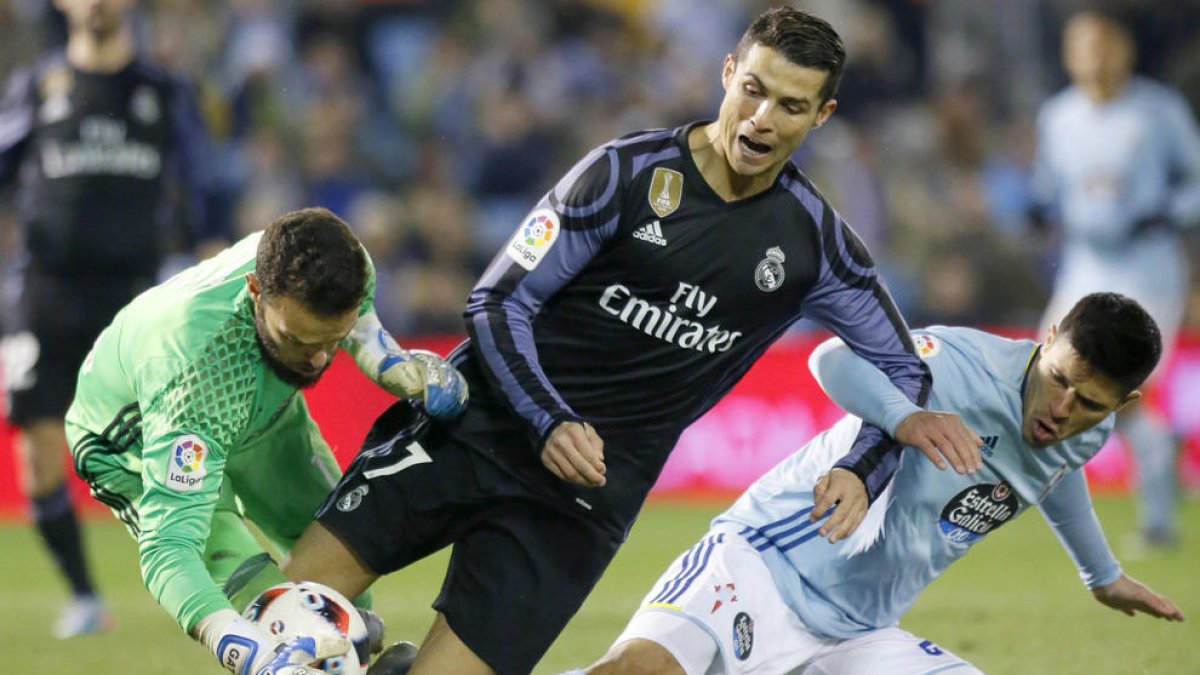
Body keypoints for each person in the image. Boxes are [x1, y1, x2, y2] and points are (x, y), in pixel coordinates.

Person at [279, 8, 986, 675]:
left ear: (823, 115)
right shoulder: (626, 173)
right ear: (728, 70)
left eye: (792, 106)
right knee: (284, 623)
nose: (762, 119)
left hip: (580, 504)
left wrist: (864, 467)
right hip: (474, 429)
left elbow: (904, 369)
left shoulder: (813, 244)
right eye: (753, 90)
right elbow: (498, 299)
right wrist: (548, 417)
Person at [574, 292, 1185, 675]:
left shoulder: (1086, 432)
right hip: (764, 564)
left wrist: (1100, 575)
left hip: (857, 632)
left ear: (1124, 405)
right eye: (1059, 381)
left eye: (1089, 404)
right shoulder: (957, 360)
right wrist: (908, 416)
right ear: (1048, 338)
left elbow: (1057, 473)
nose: (1063, 409)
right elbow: (830, 358)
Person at [64, 207, 468, 674]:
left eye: (330, 340)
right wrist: (244, 653)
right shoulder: (194, 374)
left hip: (267, 411)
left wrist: (396, 367)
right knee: (283, 620)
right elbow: (170, 548)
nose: (317, 361)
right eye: (297, 338)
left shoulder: (347, 263)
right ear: (255, 290)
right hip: (137, 441)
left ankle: (337, 651)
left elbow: (358, 325)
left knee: (348, 567)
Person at [0, 0, 227, 638]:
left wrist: (209, 255)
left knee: (174, 443)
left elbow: (203, 181)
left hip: (134, 297)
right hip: (43, 291)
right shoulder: (37, 88)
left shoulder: (161, 90)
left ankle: (216, 577)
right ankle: (83, 595)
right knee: (39, 454)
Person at [1031, 7, 1200, 550]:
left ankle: (1157, 522)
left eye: (1104, 45)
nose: (1094, 58)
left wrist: (1168, 213)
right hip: (1085, 266)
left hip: (1147, 268)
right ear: (1068, 54)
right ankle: (1155, 454)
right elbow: (1047, 191)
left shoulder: (1158, 111)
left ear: (1124, 50)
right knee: (1041, 377)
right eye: (1083, 46)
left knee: (1123, 388)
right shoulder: (1057, 117)